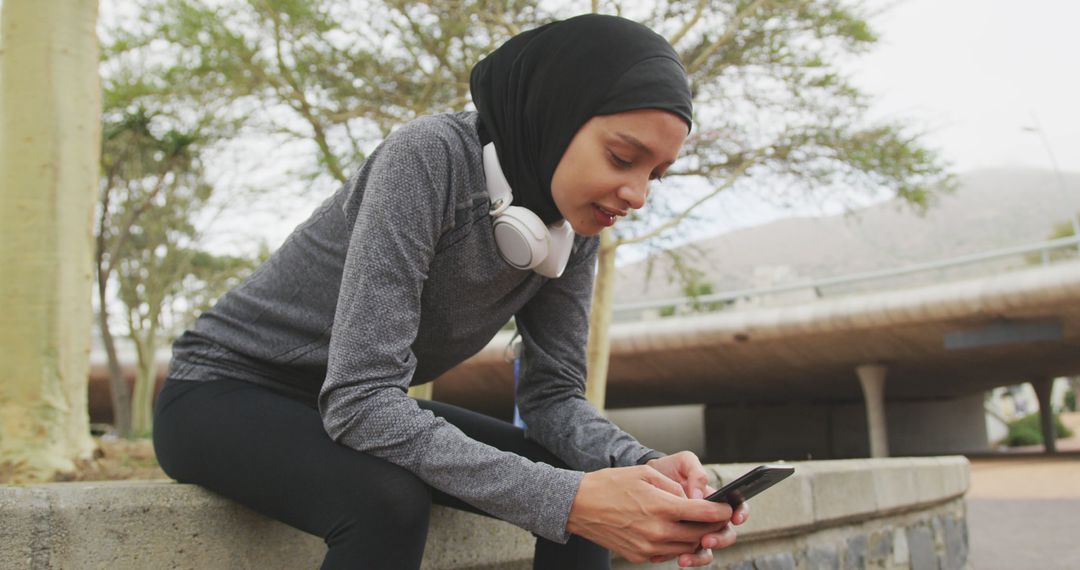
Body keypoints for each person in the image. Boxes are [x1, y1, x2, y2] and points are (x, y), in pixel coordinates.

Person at [153, 13, 748, 570]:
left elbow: (554, 398)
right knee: (388, 500)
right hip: (220, 391)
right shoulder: (429, 158)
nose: (637, 194)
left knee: (581, 471)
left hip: (351, 401)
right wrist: (569, 500)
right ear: (557, 113)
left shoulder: (577, 225)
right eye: (623, 157)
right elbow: (362, 400)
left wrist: (643, 468)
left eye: (655, 174)